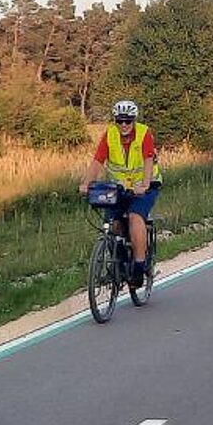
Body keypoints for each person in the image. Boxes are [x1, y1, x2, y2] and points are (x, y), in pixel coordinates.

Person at [79, 100, 162, 288]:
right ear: (115, 120)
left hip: (145, 186)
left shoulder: (143, 133)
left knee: (135, 217)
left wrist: (145, 184)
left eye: (128, 121)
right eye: (119, 121)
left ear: (134, 120)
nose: (124, 125)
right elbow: (97, 161)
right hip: (120, 188)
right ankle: (121, 262)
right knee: (113, 223)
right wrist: (86, 184)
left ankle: (139, 267)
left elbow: (148, 159)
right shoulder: (110, 135)